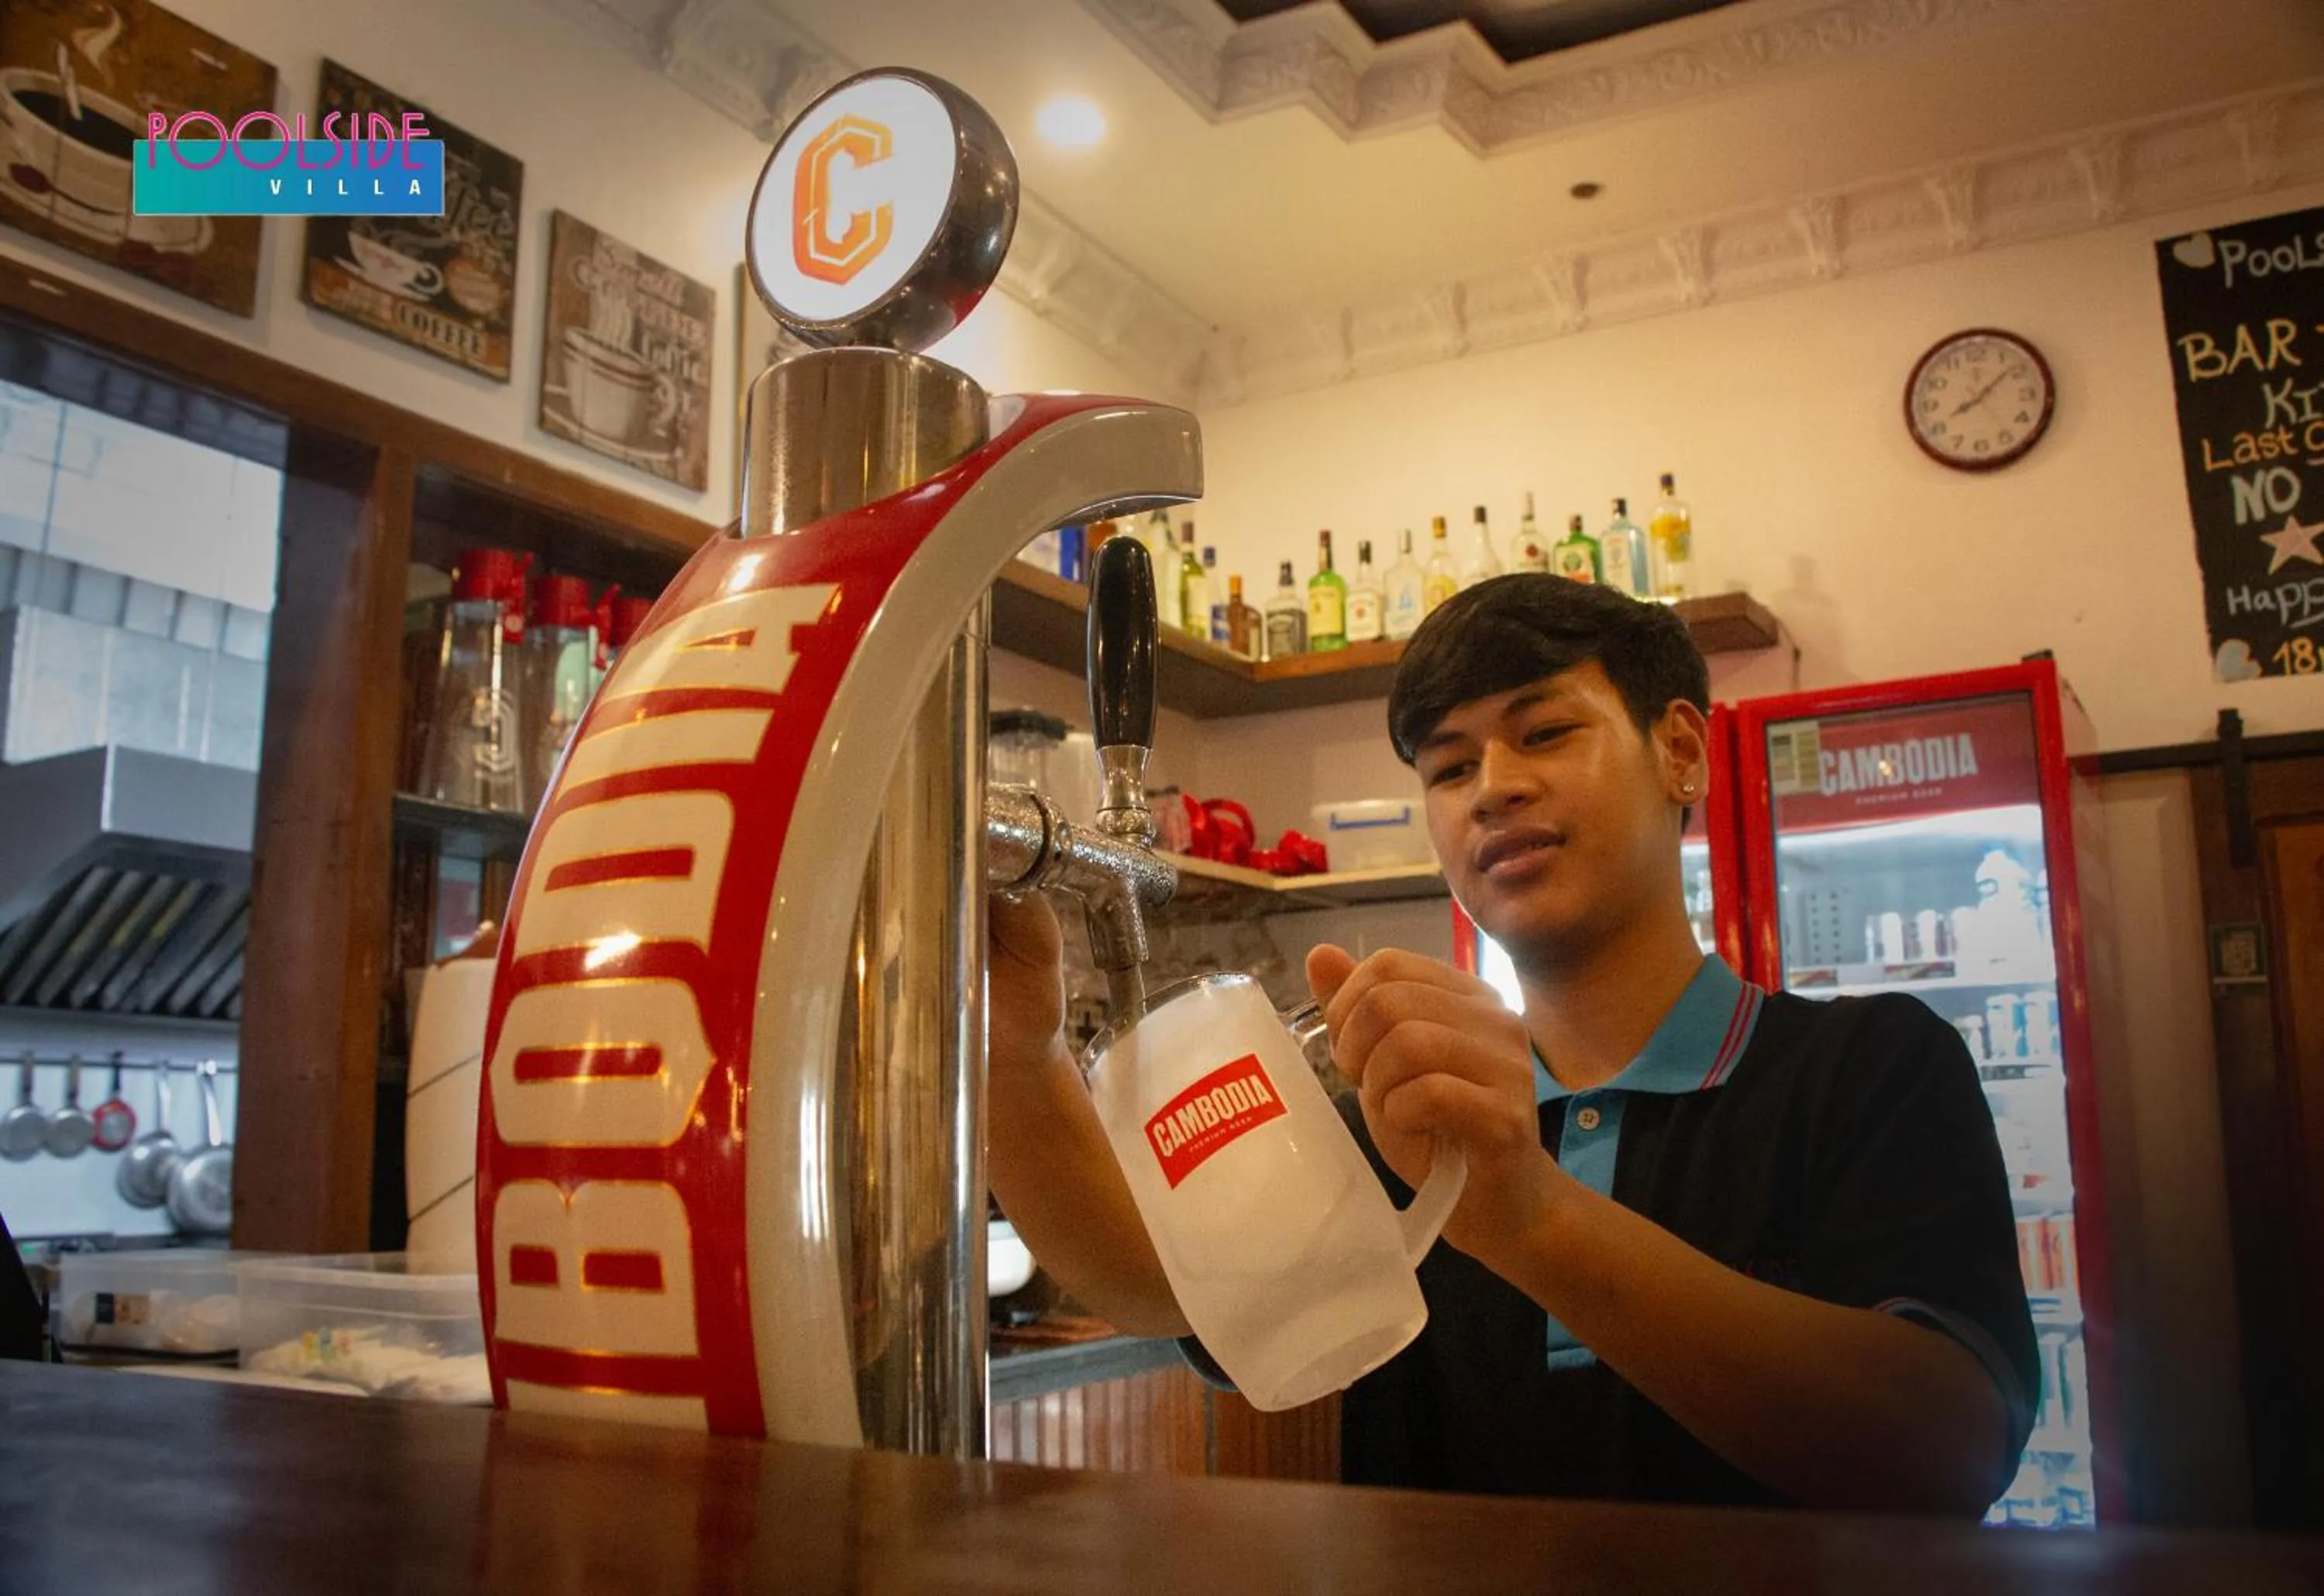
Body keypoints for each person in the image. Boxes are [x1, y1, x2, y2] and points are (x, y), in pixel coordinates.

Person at [988, 573, 2036, 1515]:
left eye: (1542, 735)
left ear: (1679, 751)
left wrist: (1529, 1215)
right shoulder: (1399, 1120)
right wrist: (1012, 1052)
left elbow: (1944, 1452)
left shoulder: (1870, 1067)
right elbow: (1165, 1277)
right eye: (1448, 768)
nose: (1492, 786)